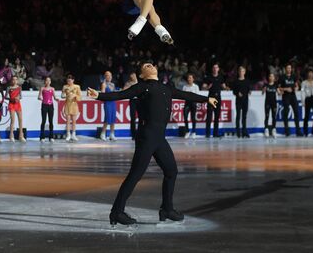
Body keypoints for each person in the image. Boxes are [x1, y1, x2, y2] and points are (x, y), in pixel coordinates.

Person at [88, 62, 217, 226]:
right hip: (147, 136)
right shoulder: (142, 87)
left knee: (171, 171)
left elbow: (186, 95)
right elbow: (121, 94)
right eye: (146, 66)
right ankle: (117, 212)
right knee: (135, 174)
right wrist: (99, 96)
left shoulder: (166, 88)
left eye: (151, 64)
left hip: (159, 138)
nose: (150, 66)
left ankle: (167, 209)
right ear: (142, 75)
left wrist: (207, 99)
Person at [202, 64, 228, 138]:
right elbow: (203, 87)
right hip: (211, 98)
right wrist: (207, 87)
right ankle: (207, 133)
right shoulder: (208, 77)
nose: (215, 69)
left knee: (217, 117)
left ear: (218, 69)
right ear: (212, 69)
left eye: (216, 67)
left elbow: (224, 86)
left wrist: (227, 88)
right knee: (209, 117)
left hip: (218, 98)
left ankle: (215, 133)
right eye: (214, 67)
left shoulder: (220, 77)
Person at [278, 63, 302, 137]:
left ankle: (298, 131)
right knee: (286, 112)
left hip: (293, 96)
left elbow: (297, 85)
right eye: (287, 68)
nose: (289, 69)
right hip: (285, 96)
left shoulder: (293, 76)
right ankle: (287, 131)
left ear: (291, 69)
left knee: (296, 112)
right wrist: (286, 89)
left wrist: (296, 88)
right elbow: (279, 88)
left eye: (290, 68)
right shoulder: (282, 77)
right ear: (285, 69)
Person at [38, 77, 60, 142]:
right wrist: (40, 98)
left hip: (51, 105)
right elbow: (39, 96)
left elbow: (54, 97)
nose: (48, 81)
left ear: (50, 82)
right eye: (46, 80)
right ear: (45, 81)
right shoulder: (42, 88)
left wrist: (56, 99)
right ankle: (42, 137)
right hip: (44, 105)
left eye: (49, 80)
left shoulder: (52, 89)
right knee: (43, 121)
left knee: (51, 121)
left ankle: (51, 137)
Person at [232, 66, 251, 138]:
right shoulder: (236, 81)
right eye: (240, 71)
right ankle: (238, 132)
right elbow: (233, 92)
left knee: (244, 117)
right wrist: (237, 93)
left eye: (242, 71)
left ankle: (244, 131)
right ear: (238, 72)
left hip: (245, 100)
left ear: (244, 72)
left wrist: (249, 92)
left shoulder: (247, 81)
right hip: (238, 101)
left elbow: (249, 89)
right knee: (238, 116)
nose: (241, 72)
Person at [6, 76, 26, 143]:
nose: (14, 81)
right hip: (11, 104)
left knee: (20, 120)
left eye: (15, 79)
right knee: (13, 120)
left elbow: (20, 96)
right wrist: (12, 99)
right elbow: (5, 97)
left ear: (17, 80)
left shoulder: (19, 87)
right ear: (11, 81)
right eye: (13, 79)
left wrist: (18, 98)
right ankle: (11, 136)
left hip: (17, 104)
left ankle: (21, 135)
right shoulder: (9, 88)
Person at [62, 74, 81, 142]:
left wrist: (75, 96)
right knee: (67, 120)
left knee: (74, 121)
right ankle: (68, 134)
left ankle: (73, 134)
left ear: (73, 80)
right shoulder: (65, 87)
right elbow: (62, 95)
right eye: (68, 80)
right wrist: (65, 95)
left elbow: (79, 97)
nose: (69, 82)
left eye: (70, 80)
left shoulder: (77, 87)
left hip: (74, 105)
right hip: (67, 104)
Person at [301, 70, 313, 137]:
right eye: (309, 74)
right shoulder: (304, 82)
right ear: (307, 75)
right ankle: (305, 131)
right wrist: (303, 101)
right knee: (307, 115)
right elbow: (302, 92)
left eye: (311, 74)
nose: (310, 75)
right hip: (307, 99)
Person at [100, 71, 117, 141]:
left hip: (113, 102)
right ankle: (103, 133)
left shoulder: (113, 84)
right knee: (107, 118)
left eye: (110, 75)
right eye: (107, 75)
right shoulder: (104, 84)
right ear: (105, 77)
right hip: (107, 103)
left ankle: (112, 134)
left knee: (113, 118)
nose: (109, 77)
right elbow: (103, 95)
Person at [182, 73, 200, 139]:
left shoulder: (196, 87)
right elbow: (183, 96)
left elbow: (197, 96)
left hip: (193, 103)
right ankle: (187, 131)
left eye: (190, 78)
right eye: (188, 78)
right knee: (185, 117)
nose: (189, 79)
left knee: (193, 118)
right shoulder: (185, 87)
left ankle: (194, 132)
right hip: (187, 103)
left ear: (193, 79)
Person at [262, 73, 279, 138]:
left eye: (272, 76)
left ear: (274, 78)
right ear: (268, 78)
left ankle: (273, 129)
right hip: (267, 103)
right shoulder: (266, 85)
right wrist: (264, 90)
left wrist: (280, 91)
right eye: (270, 76)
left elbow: (279, 93)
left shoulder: (276, 85)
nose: (271, 77)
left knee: (274, 116)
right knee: (267, 116)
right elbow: (262, 92)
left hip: (274, 103)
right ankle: (266, 129)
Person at [123, 72, 139, 139]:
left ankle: (141, 132)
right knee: (133, 118)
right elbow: (124, 90)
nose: (132, 76)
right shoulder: (128, 83)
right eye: (131, 75)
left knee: (142, 117)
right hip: (132, 101)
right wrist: (129, 87)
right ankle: (133, 135)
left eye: (133, 74)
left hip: (140, 100)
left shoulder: (140, 82)